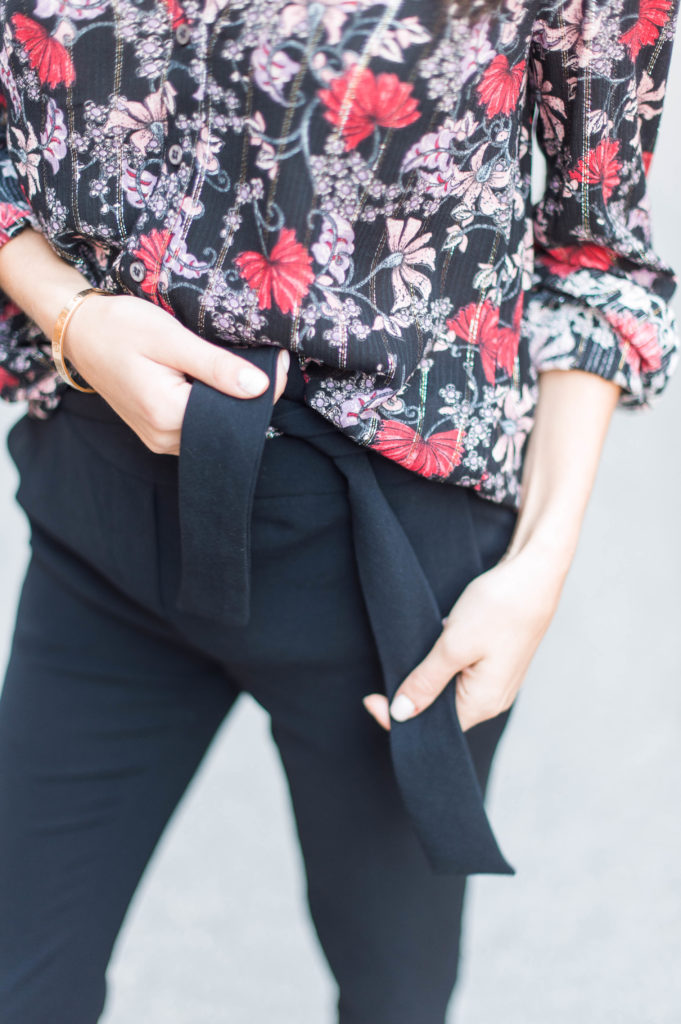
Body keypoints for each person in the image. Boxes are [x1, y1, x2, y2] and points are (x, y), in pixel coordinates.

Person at [0, 0, 677, 1021]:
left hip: (389, 582)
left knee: (393, 993)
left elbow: (594, 259)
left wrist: (538, 565)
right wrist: (70, 310)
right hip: (102, 519)